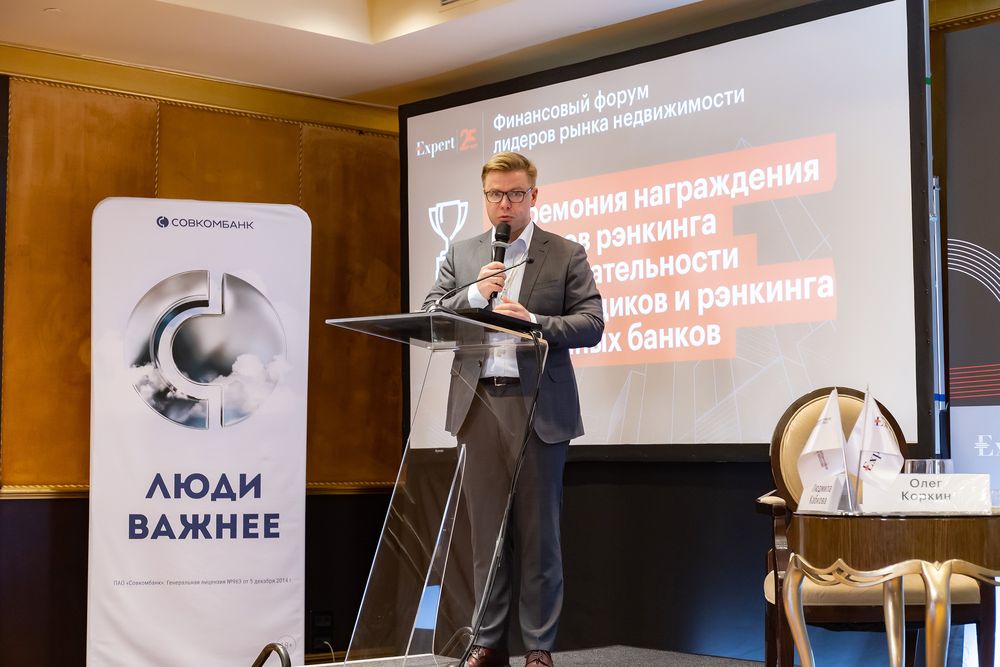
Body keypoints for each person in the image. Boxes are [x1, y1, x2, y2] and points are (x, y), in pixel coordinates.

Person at [423, 152, 604, 667]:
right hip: (478, 403)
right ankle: (487, 640)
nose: (506, 203)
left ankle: (539, 647)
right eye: (496, 195)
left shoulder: (564, 253)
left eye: (516, 194)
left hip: (538, 407)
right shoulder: (462, 254)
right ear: (485, 198)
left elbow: (592, 322)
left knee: (539, 536)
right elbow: (431, 312)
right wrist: (473, 295)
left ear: (533, 196)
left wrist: (535, 322)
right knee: (487, 536)